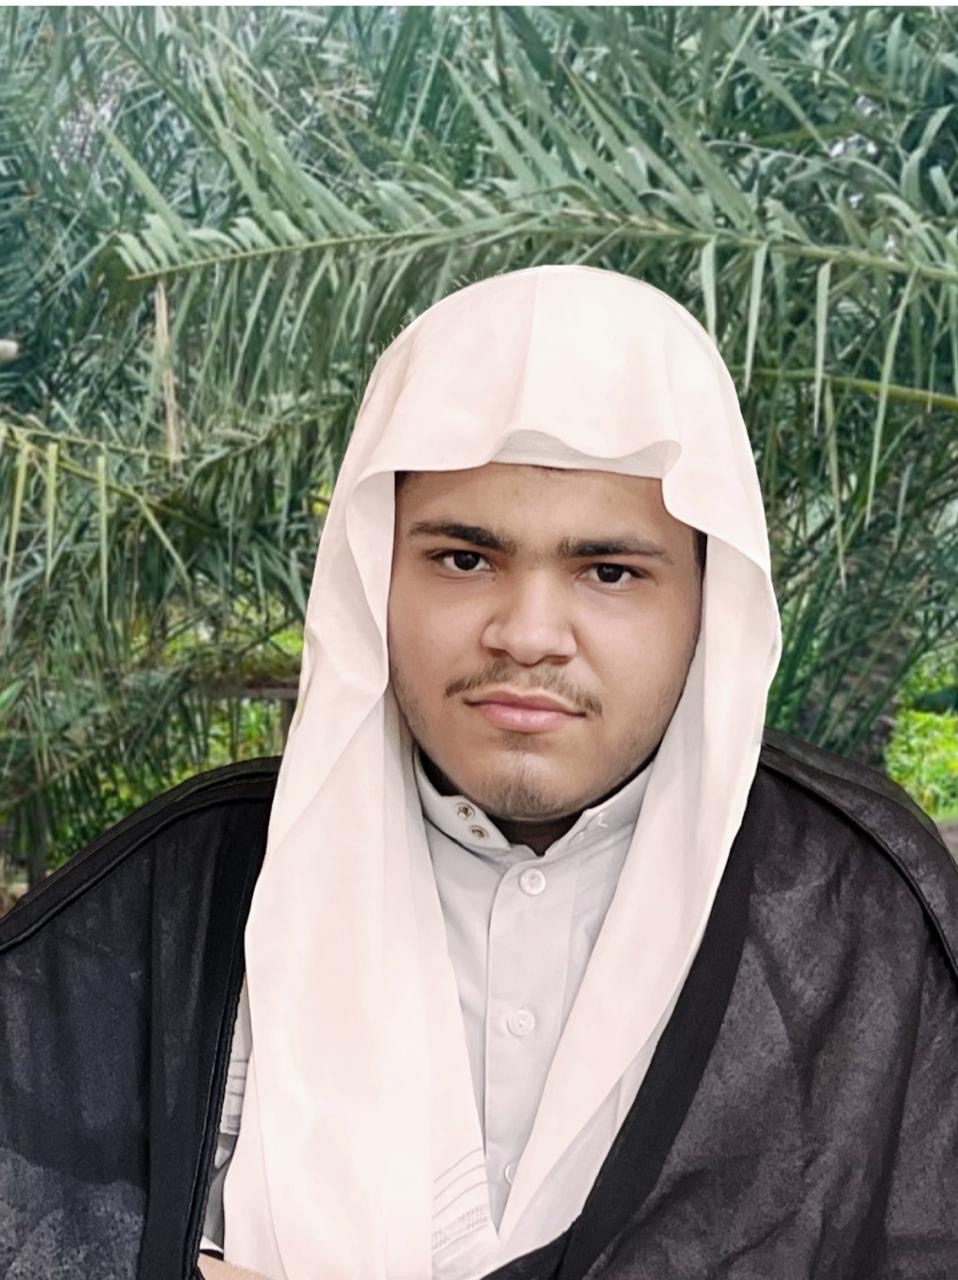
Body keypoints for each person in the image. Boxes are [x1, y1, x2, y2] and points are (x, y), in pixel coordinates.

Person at [1, 266, 956, 1280]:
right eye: (464, 559)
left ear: (708, 599)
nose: (528, 634)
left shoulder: (856, 914)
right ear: (375, 569)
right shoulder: (186, 893)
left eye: (609, 572)